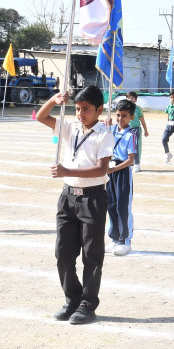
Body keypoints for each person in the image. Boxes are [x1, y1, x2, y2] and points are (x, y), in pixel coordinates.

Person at [36, 86, 114, 325]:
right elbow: (41, 117)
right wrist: (53, 100)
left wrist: (66, 171)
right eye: (78, 109)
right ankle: (72, 299)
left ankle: (88, 304)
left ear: (99, 109)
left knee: (91, 255)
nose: (81, 114)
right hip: (68, 198)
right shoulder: (70, 128)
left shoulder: (104, 134)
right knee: (63, 253)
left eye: (86, 109)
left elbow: (101, 169)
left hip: (93, 199)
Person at [106, 99, 137, 256]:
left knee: (122, 206)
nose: (120, 119)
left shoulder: (130, 135)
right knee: (111, 204)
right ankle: (114, 237)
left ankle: (125, 240)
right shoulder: (111, 129)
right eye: (118, 115)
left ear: (131, 117)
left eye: (124, 116)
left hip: (122, 171)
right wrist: (105, 123)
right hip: (110, 170)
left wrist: (114, 169)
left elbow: (130, 160)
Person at [124, 92, 148, 173]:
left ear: (136, 100)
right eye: (129, 98)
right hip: (127, 129)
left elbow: (142, 120)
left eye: (132, 98)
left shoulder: (138, 109)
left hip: (135, 129)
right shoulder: (124, 108)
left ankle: (137, 164)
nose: (130, 99)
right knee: (127, 147)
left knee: (136, 147)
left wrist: (146, 130)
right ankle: (130, 163)